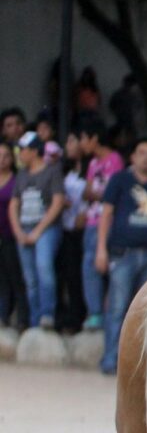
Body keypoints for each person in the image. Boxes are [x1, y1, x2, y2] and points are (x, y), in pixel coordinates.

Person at [95, 138, 147, 374]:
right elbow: (106, 215)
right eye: (141, 152)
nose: (146, 157)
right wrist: (101, 249)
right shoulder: (120, 181)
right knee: (117, 308)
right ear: (133, 157)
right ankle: (110, 360)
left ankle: (141, 367)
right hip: (123, 253)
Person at [8, 132, 65, 329]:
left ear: (34, 151)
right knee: (30, 278)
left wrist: (38, 231)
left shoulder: (52, 171)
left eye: (22, 150)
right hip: (24, 229)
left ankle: (47, 315)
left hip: (46, 229)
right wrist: (18, 232)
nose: (19, 154)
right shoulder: (21, 175)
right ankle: (34, 320)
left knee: (44, 269)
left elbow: (58, 203)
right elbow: (14, 204)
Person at [79, 119, 124, 331]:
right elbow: (87, 193)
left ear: (94, 138)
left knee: (103, 267)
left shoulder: (114, 160)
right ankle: (95, 313)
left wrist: (97, 195)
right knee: (89, 267)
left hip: (107, 222)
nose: (81, 143)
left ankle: (100, 314)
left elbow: (111, 195)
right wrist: (98, 194)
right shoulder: (92, 163)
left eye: (83, 138)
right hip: (90, 221)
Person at [55, 130, 88, 332]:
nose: (68, 145)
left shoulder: (92, 169)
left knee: (82, 275)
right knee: (67, 275)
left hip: (84, 230)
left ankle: (80, 318)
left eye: (73, 140)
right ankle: (67, 317)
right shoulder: (62, 169)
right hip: (65, 229)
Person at [0, 142, 29, 330]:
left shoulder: (17, 179)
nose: (2, 160)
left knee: (16, 279)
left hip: (12, 236)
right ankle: (2, 318)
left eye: (6, 155)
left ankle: (22, 320)